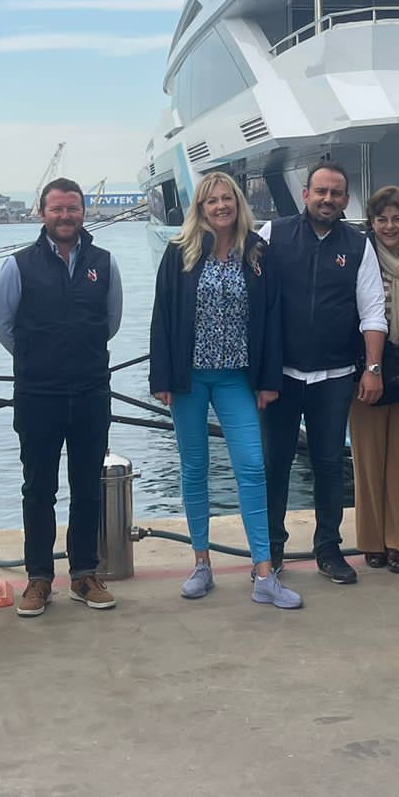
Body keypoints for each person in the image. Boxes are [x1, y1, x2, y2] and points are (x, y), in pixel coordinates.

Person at [149, 171, 296, 608]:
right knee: (194, 468)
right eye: (211, 200)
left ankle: (265, 573)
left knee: (251, 467)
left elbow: (272, 317)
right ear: (200, 206)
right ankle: (201, 563)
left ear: (237, 203)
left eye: (226, 199)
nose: (220, 207)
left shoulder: (257, 253)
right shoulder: (180, 253)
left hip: (236, 377)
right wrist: (162, 379)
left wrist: (269, 381)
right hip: (189, 378)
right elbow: (162, 315)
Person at [0, 177, 122, 617]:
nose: (65, 216)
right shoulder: (18, 265)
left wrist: (77, 356)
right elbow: (3, 327)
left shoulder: (104, 263)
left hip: (90, 393)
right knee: (38, 489)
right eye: (57, 209)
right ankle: (39, 578)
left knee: (87, 488)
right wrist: (41, 358)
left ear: (83, 212)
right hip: (38, 395)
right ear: (42, 213)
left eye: (73, 208)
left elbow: (111, 322)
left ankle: (84, 574)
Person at [258, 161, 387, 585]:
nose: (327, 199)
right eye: (320, 192)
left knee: (329, 464)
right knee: (274, 464)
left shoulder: (358, 244)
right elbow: (249, 298)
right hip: (281, 374)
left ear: (345, 199)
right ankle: (271, 551)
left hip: (333, 375)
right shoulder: (272, 235)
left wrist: (372, 368)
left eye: (336, 193)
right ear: (306, 194)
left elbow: (372, 310)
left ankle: (328, 550)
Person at [350, 186, 399, 573]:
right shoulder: (360, 259)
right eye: (381, 219)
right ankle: (371, 542)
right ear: (371, 223)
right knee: (368, 461)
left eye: (396, 218)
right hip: (369, 372)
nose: (389, 226)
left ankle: (398, 543)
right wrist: (368, 366)